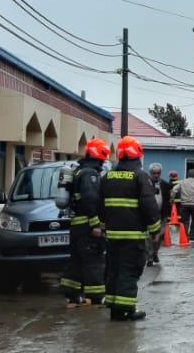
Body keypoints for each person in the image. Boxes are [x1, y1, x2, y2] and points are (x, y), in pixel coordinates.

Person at [102, 137, 162, 320]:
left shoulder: (107, 177)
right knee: (129, 270)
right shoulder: (139, 177)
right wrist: (155, 230)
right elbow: (149, 205)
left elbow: (100, 205)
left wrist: (103, 228)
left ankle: (114, 307)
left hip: (111, 235)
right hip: (133, 235)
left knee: (114, 270)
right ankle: (126, 310)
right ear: (137, 156)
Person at [58, 138, 109, 305]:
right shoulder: (90, 174)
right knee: (93, 260)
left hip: (77, 226)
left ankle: (71, 293)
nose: (104, 159)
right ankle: (96, 297)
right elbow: (90, 199)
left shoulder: (80, 171)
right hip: (87, 226)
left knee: (77, 261)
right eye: (104, 155)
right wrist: (95, 224)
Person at [145, 163, 171, 266]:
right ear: (150, 173)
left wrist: (168, 215)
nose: (156, 175)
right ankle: (150, 257)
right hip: (148, 215)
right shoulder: (145, 184)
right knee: (148, 237)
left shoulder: (164, 184)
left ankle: (155, 252)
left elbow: (168, 200)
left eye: (158, 173)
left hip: (161, 215)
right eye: (154, 173)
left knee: (159, 236)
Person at [176, 166, 194, 242]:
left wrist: (172, 199)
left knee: (185, 221)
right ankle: (192, 236)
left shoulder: (182, 182)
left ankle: (185, 236)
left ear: (187, 175)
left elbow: (174, 190)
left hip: (184, 204)